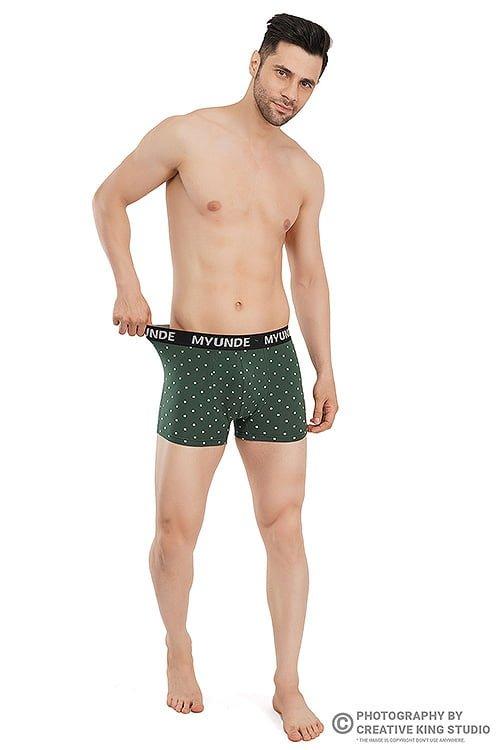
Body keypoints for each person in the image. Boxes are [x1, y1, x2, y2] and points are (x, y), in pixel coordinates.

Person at [92, 12, 338, 742]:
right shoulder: (187, 135)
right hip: (196, 356)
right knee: (175, 532)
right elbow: (109, 197)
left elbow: (310, 276)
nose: (291, 92)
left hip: (273, 360)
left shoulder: (304, 171)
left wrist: (326, 367)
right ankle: (178, 646)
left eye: (307, 84)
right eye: (283, 72)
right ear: (255, 61)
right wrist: (128, 286)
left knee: (285, 526)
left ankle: (287, 683)